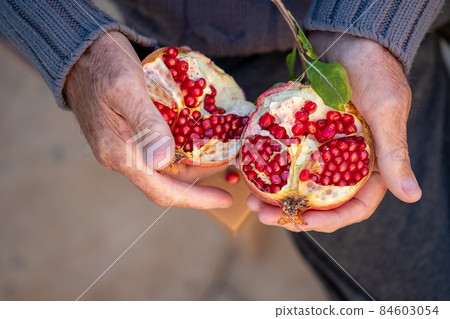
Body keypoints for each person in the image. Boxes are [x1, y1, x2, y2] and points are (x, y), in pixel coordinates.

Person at [1, 0, 448, 300]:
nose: (297, 152)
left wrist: (377, 17)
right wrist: (71, 45)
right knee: (420, 292)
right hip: (225, 37)